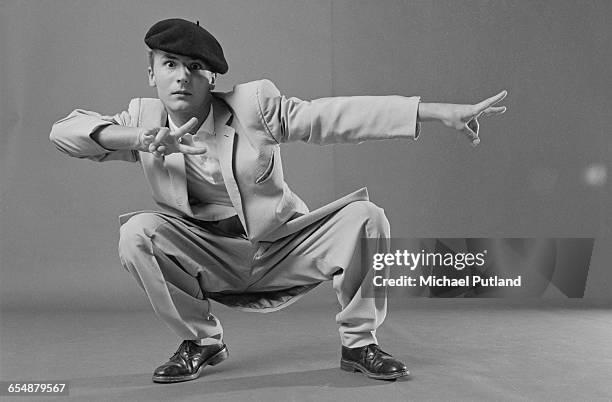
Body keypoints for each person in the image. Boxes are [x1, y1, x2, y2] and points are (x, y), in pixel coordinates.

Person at [49, 18, 507, 383]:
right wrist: (140, 138)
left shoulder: (255, 107)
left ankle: (359, 344)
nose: (182, 76)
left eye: (194, 67)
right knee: (137, 233)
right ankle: (202, 342)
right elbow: (65, 133)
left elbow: (337, 116)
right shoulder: (143, 120)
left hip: (282, 249)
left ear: (212, 77)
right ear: (151, 73)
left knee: (367, 218)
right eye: (169, 64)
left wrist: (434, 112)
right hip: (211, 255)